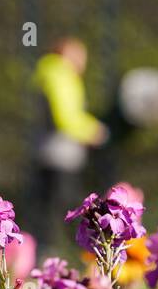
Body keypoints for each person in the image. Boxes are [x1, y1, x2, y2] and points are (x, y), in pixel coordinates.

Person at [32, 37, 108, 248]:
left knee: (46, 212)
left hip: (47, 154)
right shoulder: (61, 75)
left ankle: (45, 253)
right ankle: (72, 254)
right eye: (79, 54)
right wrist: (93, 131)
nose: (83, 61)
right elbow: (66, 117)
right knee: (70, 212)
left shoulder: (49, 73)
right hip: (62, 157)